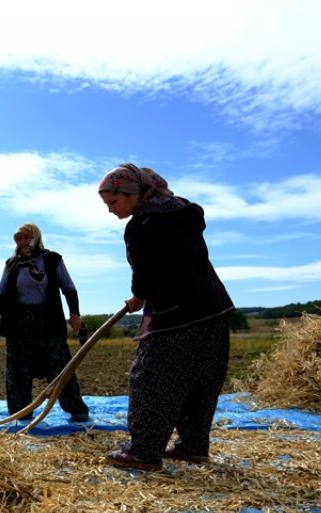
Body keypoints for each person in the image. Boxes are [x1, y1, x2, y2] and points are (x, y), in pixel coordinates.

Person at [97, 164, 235, 470]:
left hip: (175, 315)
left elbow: (144, 274)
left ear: (132, 194)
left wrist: (137, 297)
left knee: (150, 379)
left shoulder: (142, 225)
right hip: (214, 309)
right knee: (201, 380)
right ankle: (193, 445)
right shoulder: (182, 213)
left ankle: (143, 452)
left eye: (113, 202)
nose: (110, 210)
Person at [0, 223, 92, 425]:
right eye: (18, 239)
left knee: (59, 365)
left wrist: (75, 313)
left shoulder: (51, 260)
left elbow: (69, 288)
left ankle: (76, 408)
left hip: (48, 319)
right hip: (18, 322)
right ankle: (21, 413)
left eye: (26, 238)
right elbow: (1, 292)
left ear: (35, 238)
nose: (22, 243)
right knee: (18, 369)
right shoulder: (11, 264)